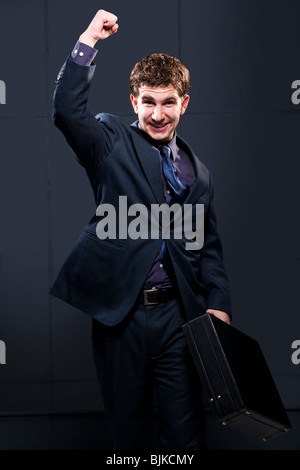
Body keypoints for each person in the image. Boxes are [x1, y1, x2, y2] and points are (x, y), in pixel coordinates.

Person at [51, 9, 231, 450]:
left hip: (180, 318)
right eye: (148, 101)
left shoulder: (199, 172)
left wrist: (219, 303)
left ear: (183, 103)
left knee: (185, 434)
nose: (157, 113)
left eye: (168, 101)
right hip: (123, 317)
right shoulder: (110, 141)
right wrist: (89, 39)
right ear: (134, 102)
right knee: (130, 435)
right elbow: (66, 111)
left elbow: (207, 246)